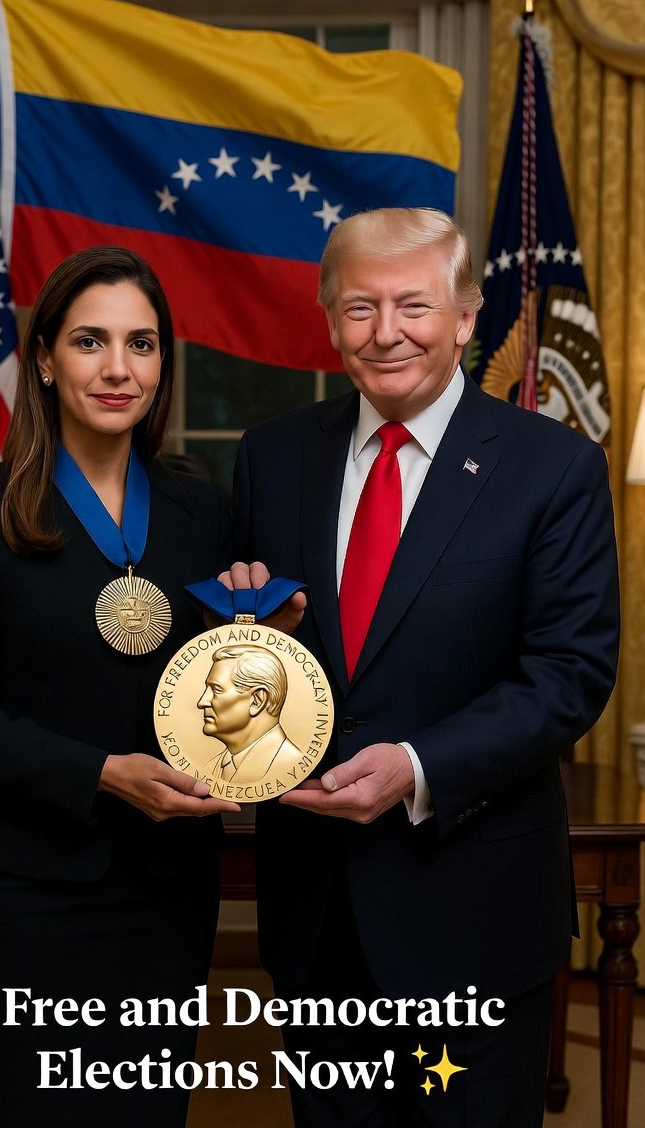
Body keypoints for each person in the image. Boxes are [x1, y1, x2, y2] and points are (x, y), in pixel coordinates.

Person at [228, 208, 619, 1127]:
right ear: (328, 320)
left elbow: (570, 672)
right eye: (359, 308)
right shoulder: (272, 456)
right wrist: (263, 633)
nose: (387, 332)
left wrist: (416, 766)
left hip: (473, 902)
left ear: (467, 314)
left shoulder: (552, 467)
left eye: (414, 305)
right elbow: (257, 662)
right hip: (317, 916)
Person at [0, 246, 240, 1128]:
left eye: (142, 343)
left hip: (166, 891)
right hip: (28, 886)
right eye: (91, 341)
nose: (118, 368)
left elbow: (212, 684)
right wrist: (102, 771)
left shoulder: (199, 510)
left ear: (163, 363)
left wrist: (256, 637)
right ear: (48, 359)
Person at [198, 644, 300, 782]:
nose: (202, 702)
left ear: (257, 700)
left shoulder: (290, 762)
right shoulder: (210, 768)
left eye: (216, 689)